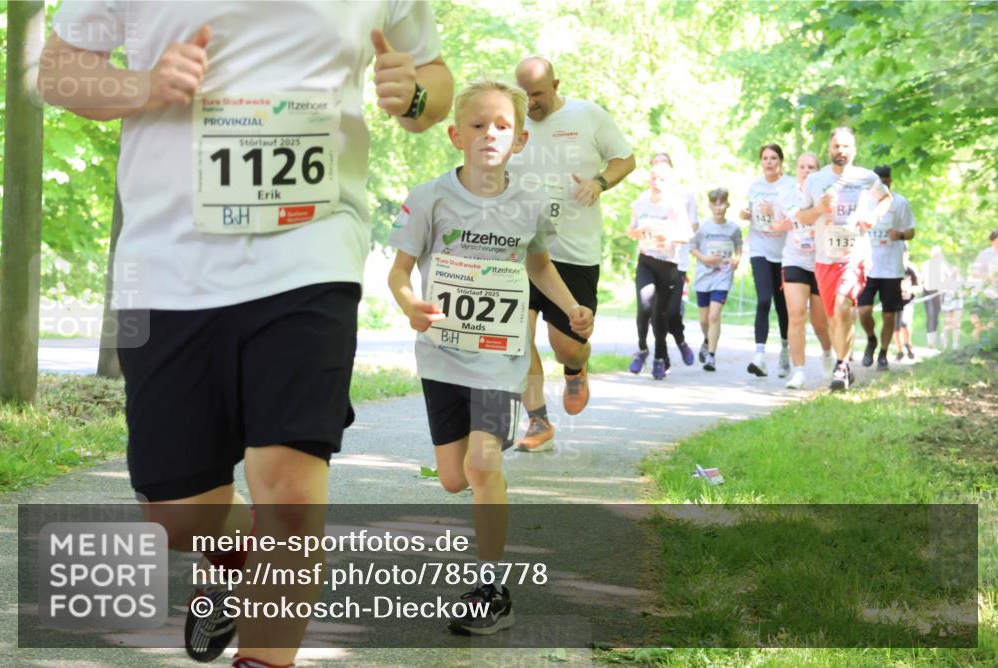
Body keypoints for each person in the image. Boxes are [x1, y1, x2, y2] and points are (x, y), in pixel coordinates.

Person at [40, 3, 452, 665]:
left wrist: (417, 95)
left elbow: (431, 79)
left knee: (289, 484)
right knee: (178, 517)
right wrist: (143, 86)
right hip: (170, 262)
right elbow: (58, 72)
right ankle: (233, 553)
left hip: (312, 247)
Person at [387, 79, 593, 631]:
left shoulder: (527, 204)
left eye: (502, 126)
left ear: (520, 139)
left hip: (499, 357)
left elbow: (539, 264)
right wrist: (411, 306)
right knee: (455, 478)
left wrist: (572, 308)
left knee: (485, 462)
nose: (489, 135)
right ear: (455, 134)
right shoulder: (430, 197)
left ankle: (491, 588)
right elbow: (400, 272)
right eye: (477, 126)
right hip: (440, 356)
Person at [509, 56, 635, 451]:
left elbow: (625, 159)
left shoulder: (588, 115)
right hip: (521, 249)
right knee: (516, 336)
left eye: (538, 95)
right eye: (524, 95)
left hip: (573, 251)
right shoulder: (510, 122)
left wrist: (599, 182)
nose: (531, 104)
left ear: (557, 84)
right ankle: (538, 422)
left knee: (567, 343)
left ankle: (576, 367)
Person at [798, 127, 892, 391]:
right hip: (825, 257)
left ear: (854, 149)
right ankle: (845, 366)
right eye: (837, 146)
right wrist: (818, 208)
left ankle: (841, 364)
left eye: (846, 146)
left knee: (843, 306)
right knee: (832, 317)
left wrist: (873, 217)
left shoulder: (866, 178)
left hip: (855, 255)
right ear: (829, 149)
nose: (841, 151)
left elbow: (886, 198)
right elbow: (802, 217)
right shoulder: (815, 181)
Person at [626, 161, 694, 379]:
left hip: (668, 265)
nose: (656, 182)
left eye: (661, 179)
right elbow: (631, 231)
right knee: (644, 305)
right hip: (646, 261)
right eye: (653, 177)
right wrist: (638, 232)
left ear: (670, 182)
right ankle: (642, 349)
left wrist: (669, 238)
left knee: (660, 314)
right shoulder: (640, 203)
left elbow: (686, 236)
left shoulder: (674, 205)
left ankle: (658, 358)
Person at [740, 144, 793, 378]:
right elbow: (753, 212)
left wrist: (776, 212)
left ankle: (784, 351)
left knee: (783, 306)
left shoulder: (789, 185)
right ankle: (759, 356)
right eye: (765, 158)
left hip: (783, 252)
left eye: (773, 158)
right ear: (761, 162)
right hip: (759, 247)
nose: (769, 162)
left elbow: (795, 216)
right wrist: (746, 214)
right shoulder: (755, 186)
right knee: (763, 299)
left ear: (780, 161)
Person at [781, 152, 833, 389]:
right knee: (797, 315)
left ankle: (826, 352)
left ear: (818, 171)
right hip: (794, 259)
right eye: (802, 166)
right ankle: (799, 370)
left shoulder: (827, 195)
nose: (806, 170)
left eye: (811, 167)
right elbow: (774, 223)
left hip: (821, 260)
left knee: (819, 322)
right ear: (796, 169)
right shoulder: (786, 194)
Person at [857, 165, 916, 370]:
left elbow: (911, 231)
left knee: (889, 314)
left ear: (891, 180)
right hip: (867, 266)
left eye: (886, 179)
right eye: (879, 180)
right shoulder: (864, 201)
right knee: (863, 310)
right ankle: (871, 339)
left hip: (892, 268)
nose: (884, 183)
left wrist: (898, 235)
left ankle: (883, 353)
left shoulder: (900, 203)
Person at [650, 153, 700, 368]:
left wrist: (672, 232)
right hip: (652, 260)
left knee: (671, 311)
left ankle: (680, 341)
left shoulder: (685, 194)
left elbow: (694, 226)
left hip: (677, 261)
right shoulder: (647, 197)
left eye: (663, 165)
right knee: (654, 313)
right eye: (655, 166)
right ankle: (661, 357)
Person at [688, 188, 742, 371]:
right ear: (710, 205)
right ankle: (706, 340)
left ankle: (711, 355)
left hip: (723, 276)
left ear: (727, 204)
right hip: (704, 277)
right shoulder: (704, 228)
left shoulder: (733, 228)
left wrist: (737, 260)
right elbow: (692, 246)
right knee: (704, 320)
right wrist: (704, 258)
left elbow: (739, 247)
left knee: (714, 314)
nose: (718, 207)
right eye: (715, 203)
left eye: (722, 203)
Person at [968, 229, 998, 343]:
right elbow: (974, 273)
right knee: (977, 323)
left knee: (993, 322)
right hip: (983, 293)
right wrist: (989, 277)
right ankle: (977, 346)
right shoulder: (984, 254)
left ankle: (988, 345)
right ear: (992, 241)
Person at [894, 252, 921, 360]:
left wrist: (908, 289)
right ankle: (900, 350)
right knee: (895, 327)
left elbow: (919, 287)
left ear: (907, 254)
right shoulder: (891, 268)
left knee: (905, 323)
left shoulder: (911, 269)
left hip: (907, 301)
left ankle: (908, 344)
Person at [921, 246, 947, 349]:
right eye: (934, 253)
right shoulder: (926, 264)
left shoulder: (943, 265)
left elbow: (948, 278)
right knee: (930, 315)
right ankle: (930, 341)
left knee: (936, 316)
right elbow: (922, 278)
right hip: (927, 292)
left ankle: (936, 339)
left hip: (939, 293)